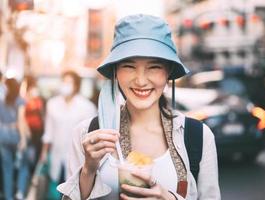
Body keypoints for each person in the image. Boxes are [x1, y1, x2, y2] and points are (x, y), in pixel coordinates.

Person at [58, 14, 220, 200]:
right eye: (129, 66)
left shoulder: (198, 137)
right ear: (116, 71)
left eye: (154, 67)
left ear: (168, 72)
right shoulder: (88, 134)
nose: (141, 81)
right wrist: (88, 169)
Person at [39, 70, 97, 198]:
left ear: (76, 85)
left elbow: (91, 135)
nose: (66, 85)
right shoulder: (52, 104)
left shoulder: (87, 107)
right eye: (64, 82)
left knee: (73, 190)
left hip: (78, 156)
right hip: (56, 154)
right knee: (54, 188)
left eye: (69, 82)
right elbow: (49, 132)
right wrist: (44, 154)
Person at [0, 78, 31, 200]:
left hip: (3, 137)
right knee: (23, 166)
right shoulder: (20, 101)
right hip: (16, 137)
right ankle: (20, 192)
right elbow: (21, 120)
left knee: (7, 168)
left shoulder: (2, 101)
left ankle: (8, 196)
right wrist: (23, 139)